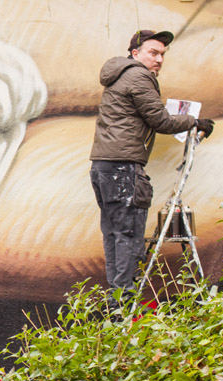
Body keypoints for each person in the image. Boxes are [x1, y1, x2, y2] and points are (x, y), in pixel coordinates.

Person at [89, 30, 214, 312]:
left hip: (104, 166)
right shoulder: (138, 75)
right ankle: (124, 306)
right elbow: (159, 120)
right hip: (123, 168)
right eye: (153, 53)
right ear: (135, 53)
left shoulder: (119, 75)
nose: (158, 60)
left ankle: (117, 304)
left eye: (162, 55)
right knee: (129, 236)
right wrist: (195, 121)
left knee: (114, 234)